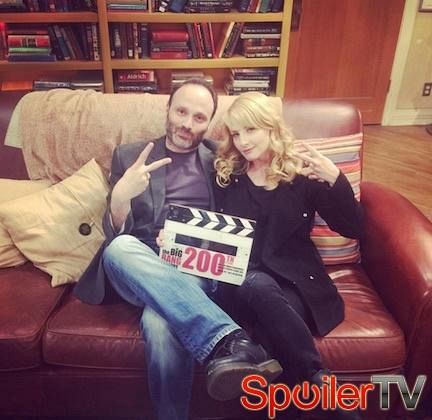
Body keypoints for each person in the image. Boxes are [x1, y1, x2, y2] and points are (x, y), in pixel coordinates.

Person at [73, 79, 282, 420]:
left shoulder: (222, 159)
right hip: (138, 263)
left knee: (159, 323)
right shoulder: (130, 156)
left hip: (194, 265)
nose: (187, 124)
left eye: (199, 117)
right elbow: (113, 234)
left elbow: (259, 193)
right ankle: (228, 340)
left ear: (210, 122)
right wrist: (121, 197)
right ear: (168, 109)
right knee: (120, 247)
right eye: (181, 112)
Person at [213, 92, 363, 419]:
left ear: (271, 128)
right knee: (257, 285)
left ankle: (300, 392)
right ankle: (320, 381)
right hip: (242, 282)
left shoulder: (301, 174)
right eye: (236, 133)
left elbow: (353, 227)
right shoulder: (226, 175)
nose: (242, 141)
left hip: (296, 283)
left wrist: (336, 179)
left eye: (250, 130)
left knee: (275, 341)